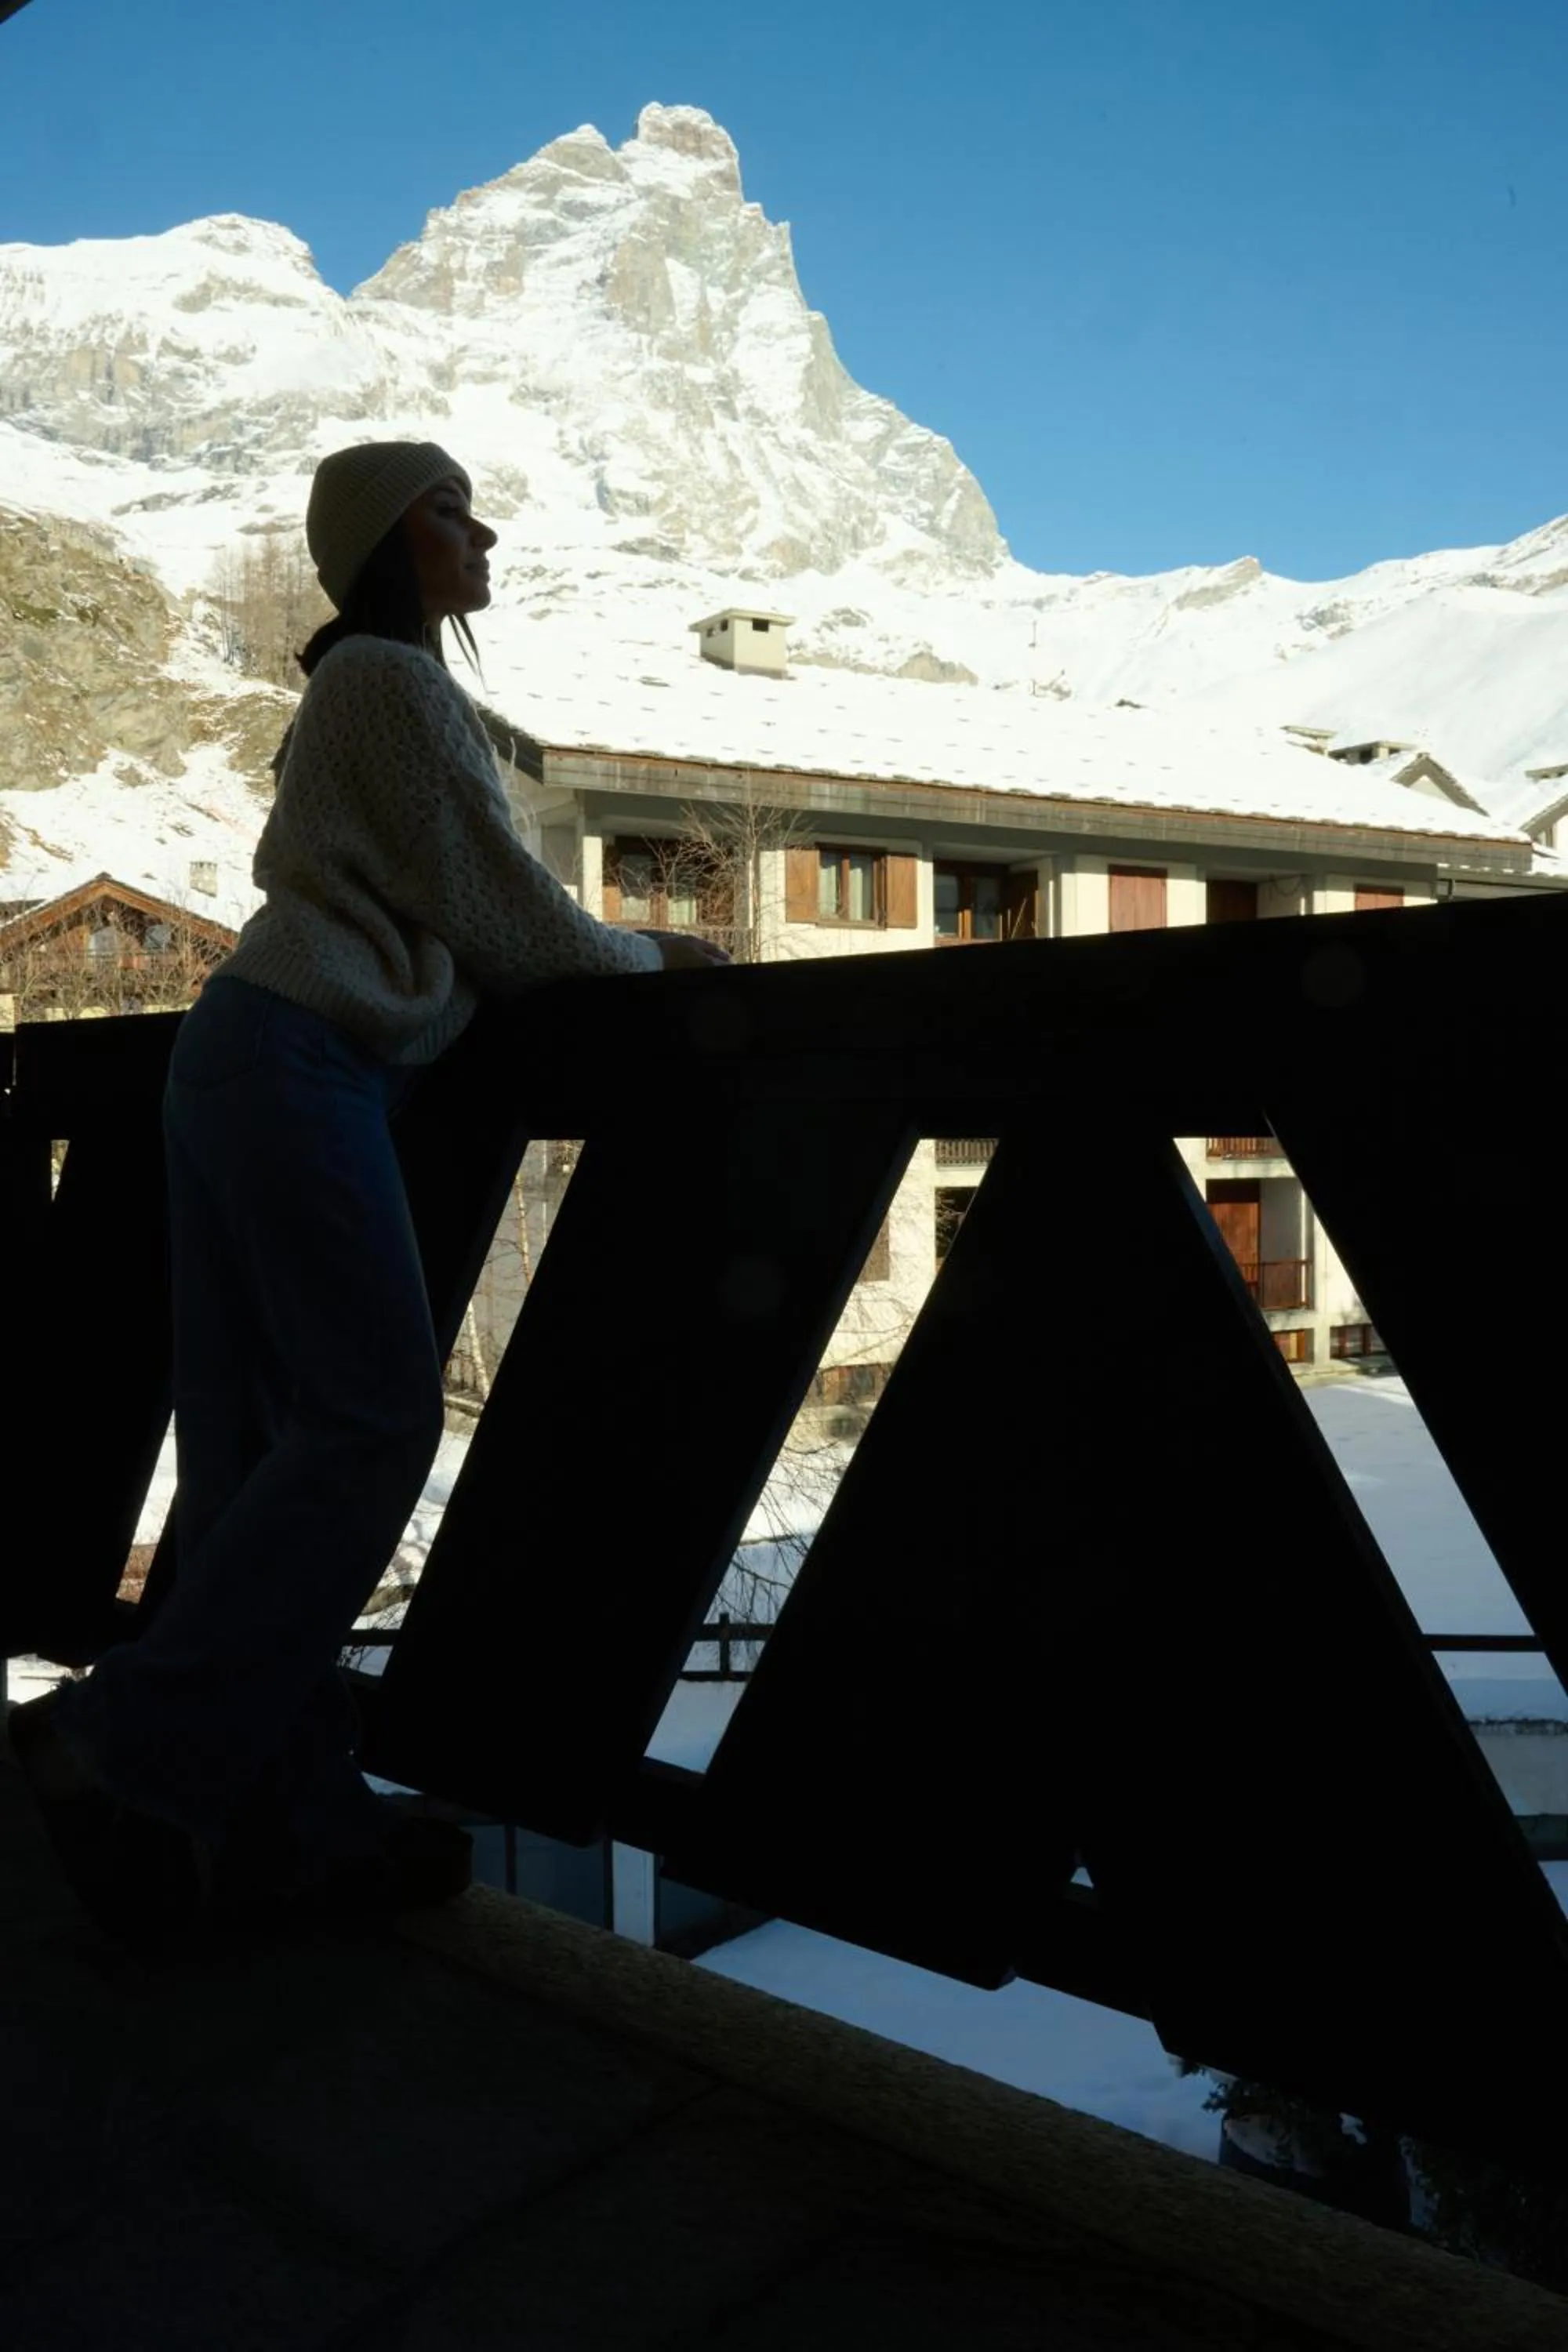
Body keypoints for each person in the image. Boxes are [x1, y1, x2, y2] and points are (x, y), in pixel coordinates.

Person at [9, 441, 727, 1939]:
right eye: (455, 506)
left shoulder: (357, 693)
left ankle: (292, 1826)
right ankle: (114, 1742)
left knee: (254, 1444)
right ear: (394, 536)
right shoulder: (395, 689)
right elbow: (502, 912)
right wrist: (663, 958)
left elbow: (454, 907)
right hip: (300, 1064)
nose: (485, 528)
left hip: (248, 1058)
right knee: (371, 1416)